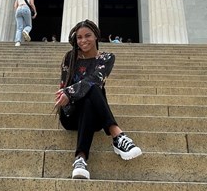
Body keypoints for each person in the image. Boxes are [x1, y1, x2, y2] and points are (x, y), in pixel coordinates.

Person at [54, 19, 142, 180]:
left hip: (93, 116)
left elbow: (95, 79)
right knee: (91, 87)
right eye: (79, 37)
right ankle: (117, 135)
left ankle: (80, 159)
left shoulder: (107, 58)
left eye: (87, 35)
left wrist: (69, 92)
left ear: (96, 37)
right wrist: (66, 95)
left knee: (93, 87)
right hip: (70, 113)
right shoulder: (70, 57)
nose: (83, 40)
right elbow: (63, 87)